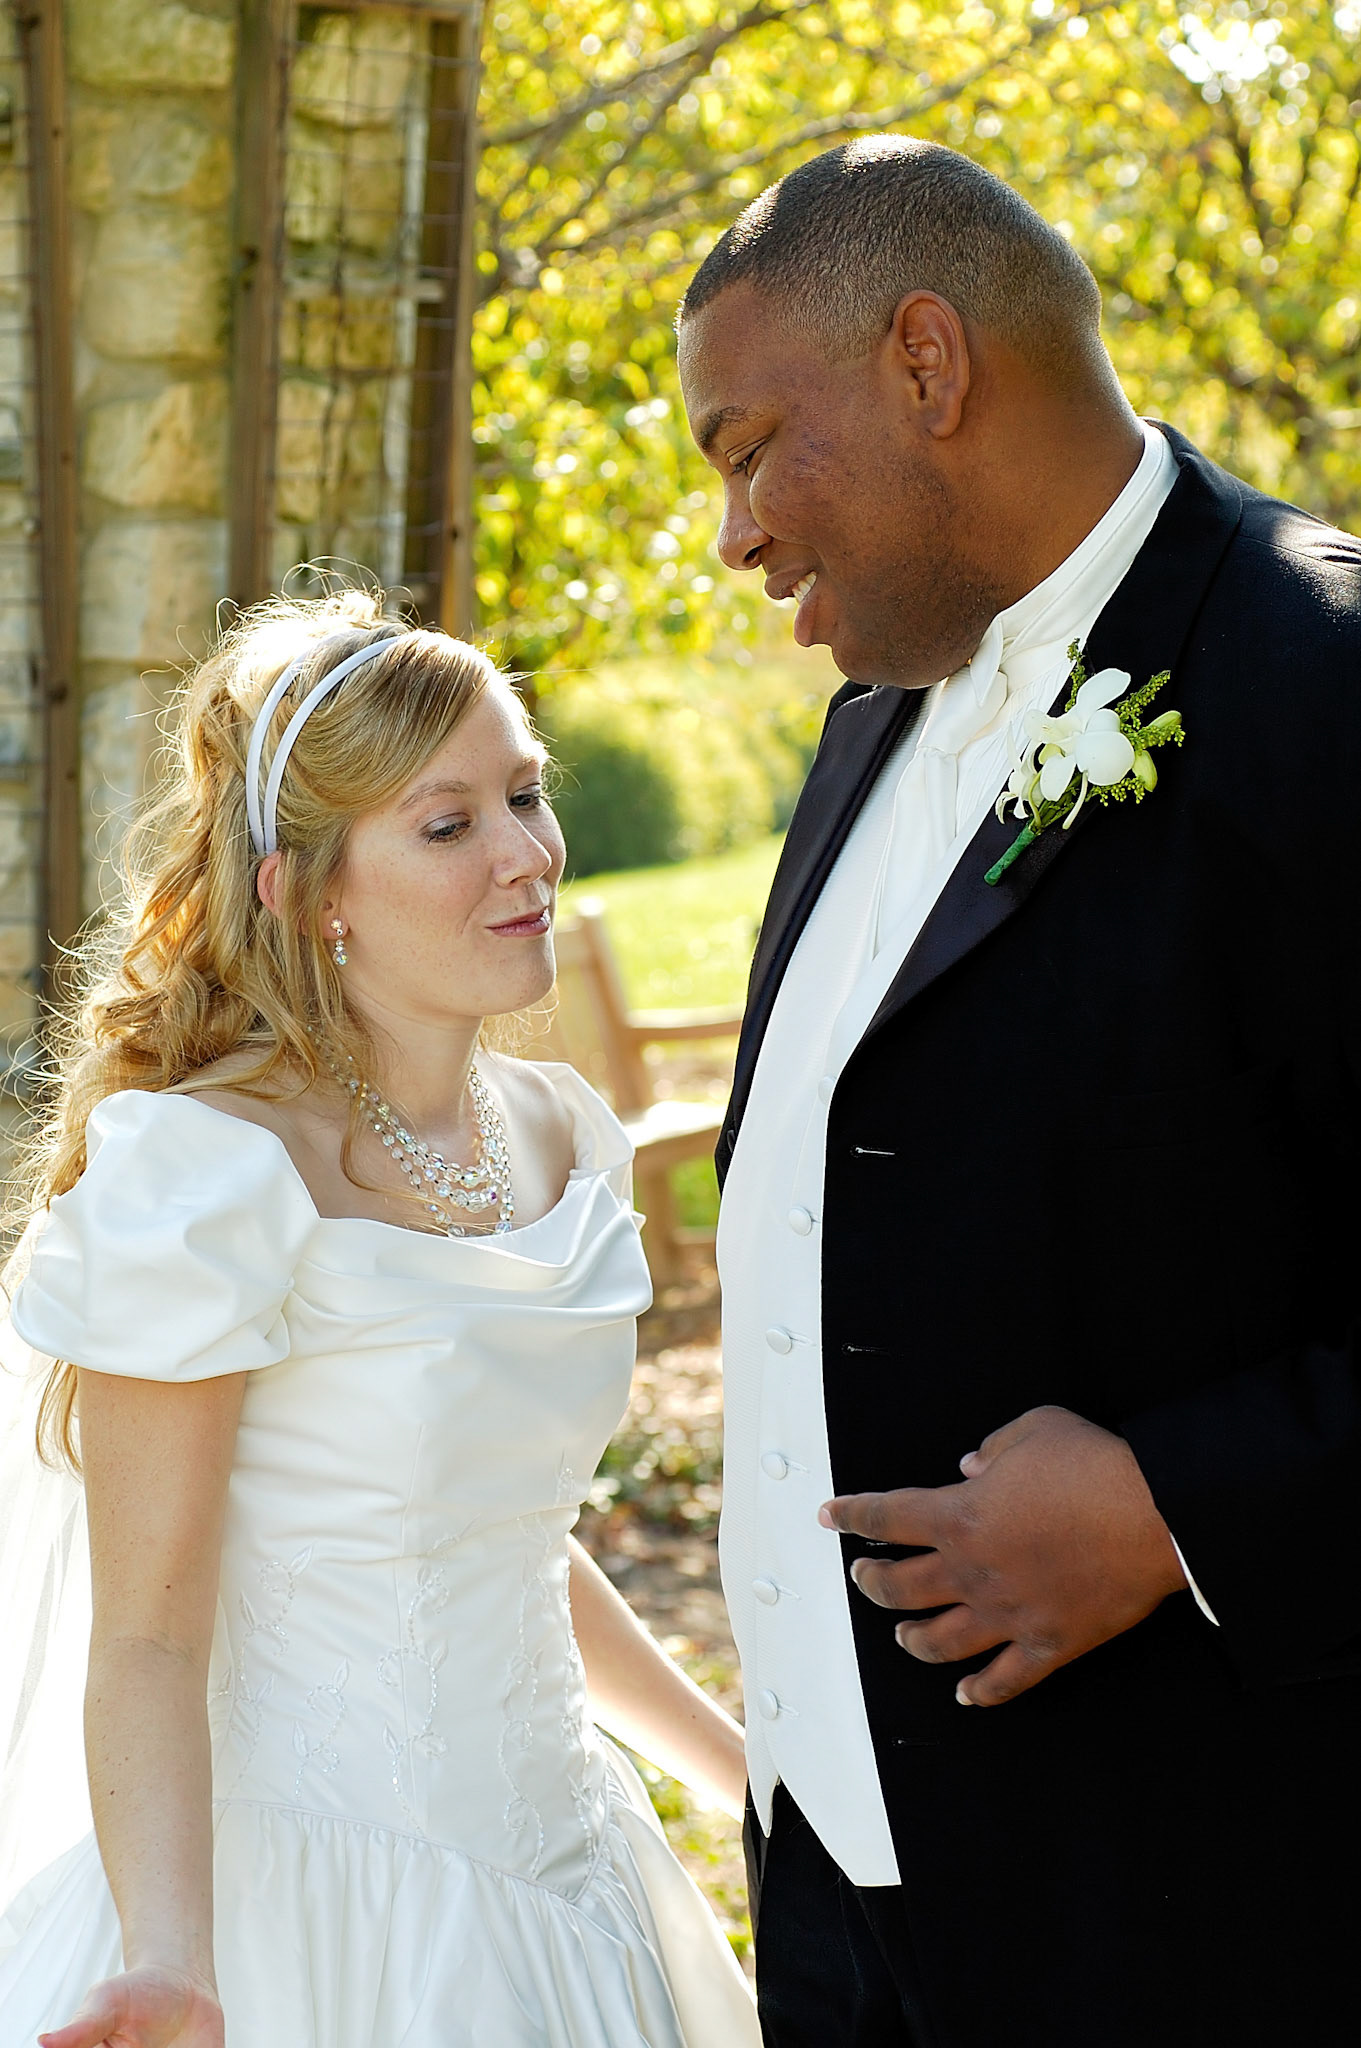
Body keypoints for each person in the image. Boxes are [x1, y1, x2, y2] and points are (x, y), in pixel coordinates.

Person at [675, 135, 1361, 2048]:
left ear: (925, 362)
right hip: (838, 1887)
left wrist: (1178, 1510)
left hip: (1193, 1904)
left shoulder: (1325, 682)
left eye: (748, 448)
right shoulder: (868, 723)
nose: (734, 535)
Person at [0, 593, 759, 2048]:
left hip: (574, 1876)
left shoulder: (557, 1135)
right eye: (448, 823)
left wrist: (739, 1776)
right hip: (317, 1910)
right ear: (308, 893)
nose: (526, 854)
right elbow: (146, 1636)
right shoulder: (208, 1177)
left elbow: (500, 1541)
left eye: (525, 794)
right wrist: (170, 1954)